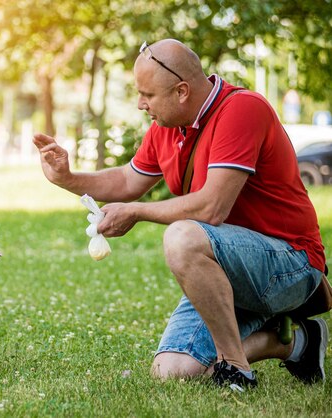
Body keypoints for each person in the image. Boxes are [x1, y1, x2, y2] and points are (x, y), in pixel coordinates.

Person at [33, 39, 328, 391]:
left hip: (290, 264)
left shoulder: (243, 110)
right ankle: (296, 344)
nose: (141, 105)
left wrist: (137, 212)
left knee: (182, 236)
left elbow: (211, 207)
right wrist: (68, 178)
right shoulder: (166, 128)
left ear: (182, 91)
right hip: (229, 269)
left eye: (148, 95)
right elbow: (128, 179)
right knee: (172, 370)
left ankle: (236, 370)